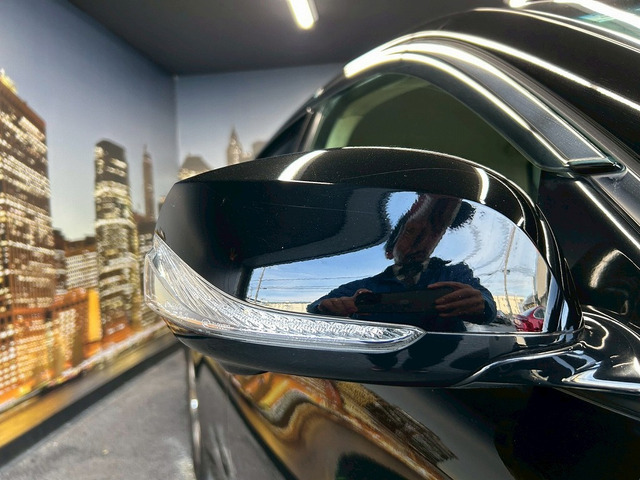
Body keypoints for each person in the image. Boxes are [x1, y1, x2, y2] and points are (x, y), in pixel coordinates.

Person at [307, 195, 497, 333]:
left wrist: (480, 304)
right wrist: (331, 307)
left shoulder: (454, 274)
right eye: (410, 232)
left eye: (433, 234)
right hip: (380, 363)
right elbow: (316, 307)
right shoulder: (365, 285)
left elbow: (488, 307)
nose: (422, 241)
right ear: (390, 249)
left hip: (448, 364)